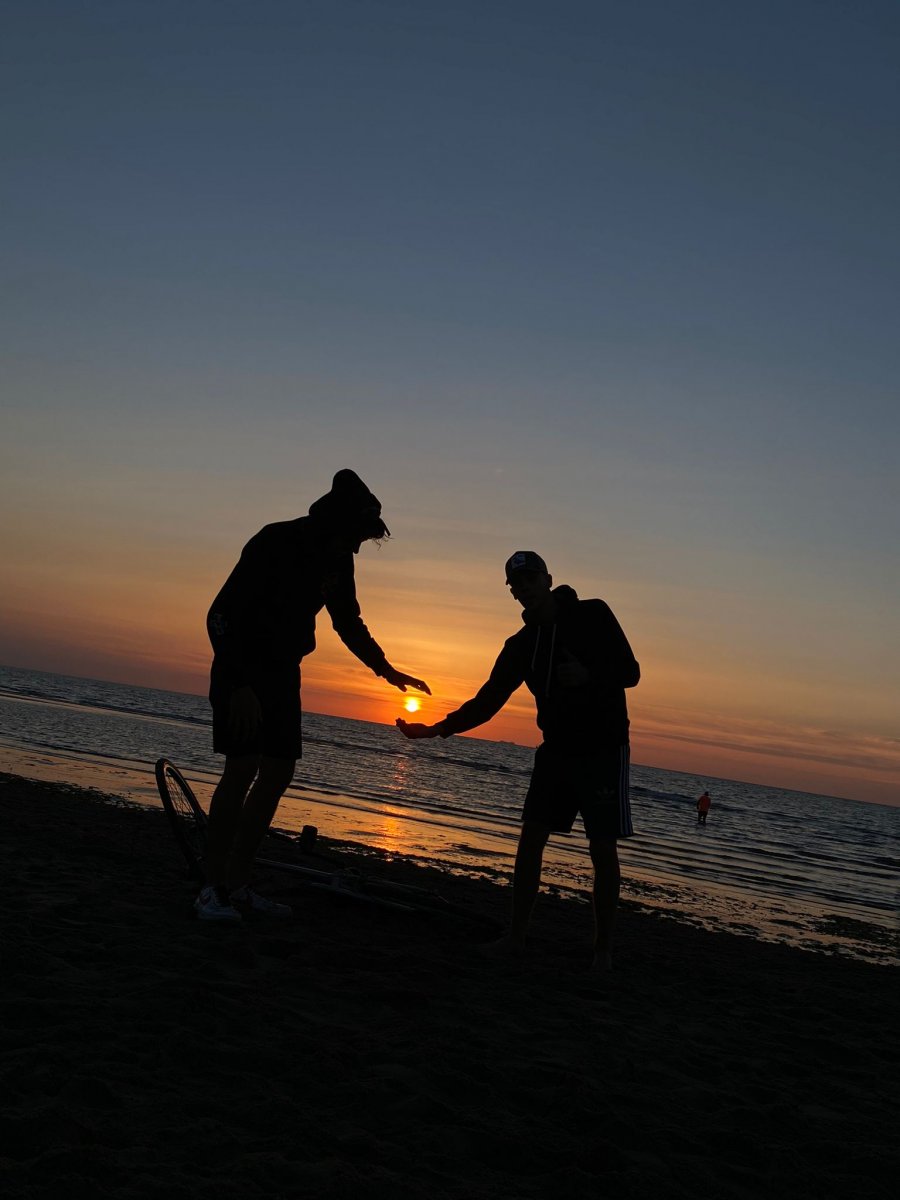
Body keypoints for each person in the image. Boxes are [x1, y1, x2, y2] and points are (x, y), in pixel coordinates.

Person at [197, 469, 431, 922]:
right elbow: (220, 614)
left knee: (278, 772)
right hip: (240, 669)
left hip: (285, 674)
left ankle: (239, 884)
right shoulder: (273, 540)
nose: (360, 547)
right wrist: (239, 685)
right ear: (337, 524)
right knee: (241, 768)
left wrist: (385, 669)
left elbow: (348, 621)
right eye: (357, 536)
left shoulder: (339, 561)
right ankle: (211, 887)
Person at [396, 551, 640, 971]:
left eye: (530, 579)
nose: (524, 587)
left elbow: (630, 671)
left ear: (548, 579)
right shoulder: (521, 646)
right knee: (530, 841)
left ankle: (603, 950)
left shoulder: (593, 614)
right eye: (516, 584)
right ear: (512, 593)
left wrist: (589, 676)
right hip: (556, 750)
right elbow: (488, 701)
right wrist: (437, 729)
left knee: (602, 847)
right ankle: (516, 936)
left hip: (603, 748)